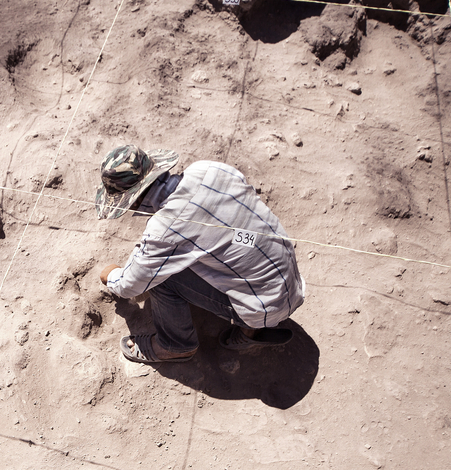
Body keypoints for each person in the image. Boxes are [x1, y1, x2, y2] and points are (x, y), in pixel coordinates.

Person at [95, 144, 305, 364]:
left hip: (263, 307)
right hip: (291, 282)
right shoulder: (207, 169)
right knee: (231, 246)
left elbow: (130, 285)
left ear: (135, 199)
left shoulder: (164, 229)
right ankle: (250, 330)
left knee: (160, 278)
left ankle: (175, 346)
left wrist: (111, 276)